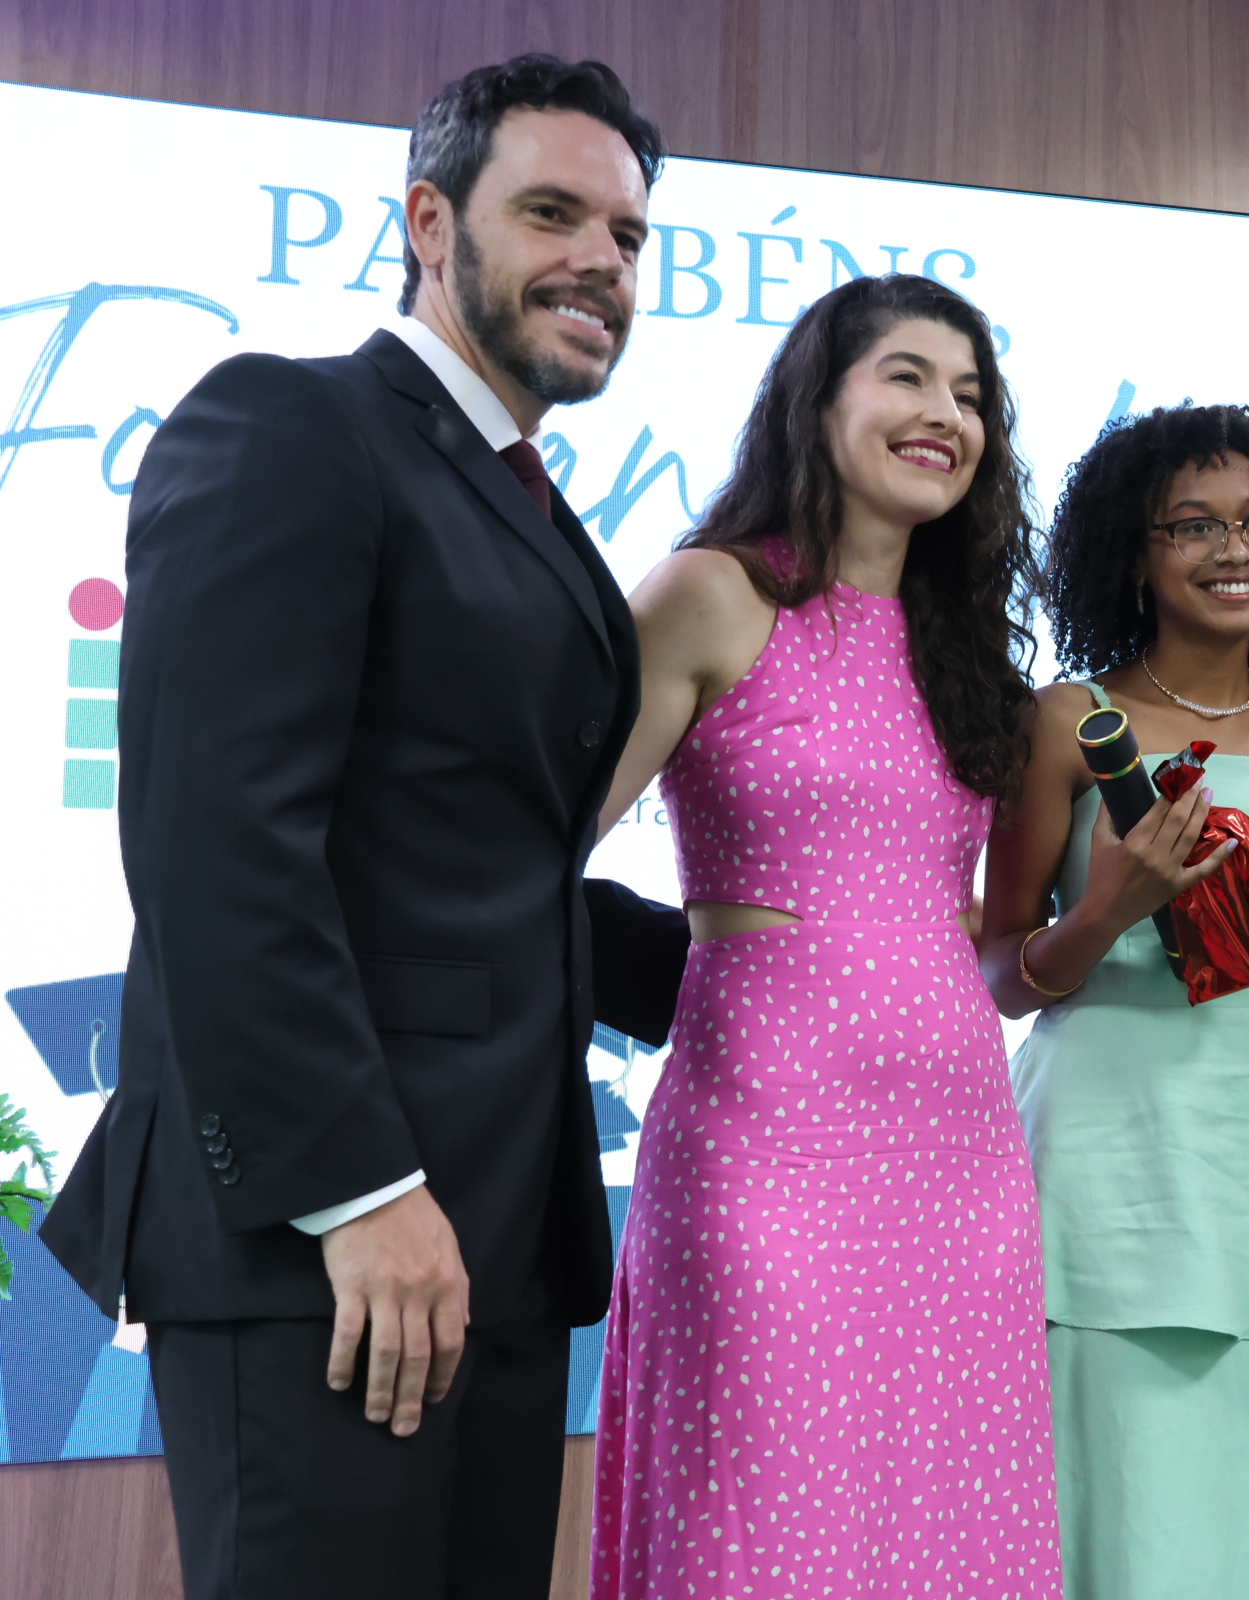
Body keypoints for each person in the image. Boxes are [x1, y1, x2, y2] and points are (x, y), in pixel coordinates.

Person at [36, 55, 662, 1600]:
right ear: (430, 223)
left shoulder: (519, 499)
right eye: (553, 213)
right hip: (330, 1235)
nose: (601, 259)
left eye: (629, 234)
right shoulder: (291, 423)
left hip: (501, 1239)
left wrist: (784, 970)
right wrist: (359, 1191)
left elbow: (493, 865)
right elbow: (215, 840)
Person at [587, 273, 1062, 1597]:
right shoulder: (712, 592)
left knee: (951, 1524)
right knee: (763, 1526)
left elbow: (972, 921)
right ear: (820, 397)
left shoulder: (967, 648)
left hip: (964, 1156)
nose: (945, 414)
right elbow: (521, 854)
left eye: (970, 394)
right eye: (907, 375)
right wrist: (692, 977)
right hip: (763, 1141)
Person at [978, 404, 1249, 1599]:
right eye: (1194, 525)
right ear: (1135, 553)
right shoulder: (1067, 721)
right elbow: (1001, 971)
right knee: (1137, 1501)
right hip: (1111, 1164)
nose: (1236, 550)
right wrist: (1107, 910)